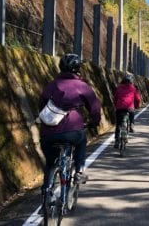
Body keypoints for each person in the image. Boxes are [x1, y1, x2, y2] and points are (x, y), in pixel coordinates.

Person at [39, 53, 101, 193]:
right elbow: (95, 107)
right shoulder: (82, 85)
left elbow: (41, 106)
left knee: (50, 162)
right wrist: (94, 122)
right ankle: (79, 171)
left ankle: (46, 189)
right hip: (72, 130)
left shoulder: (51, 85)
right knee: (81, 140)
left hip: (48, 132)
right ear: (78, 68)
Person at [114, 74, 141, 148]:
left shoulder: (119, 88)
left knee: (118, 124)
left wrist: (116, 105)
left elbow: (115, 98)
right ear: (131, 81)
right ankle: (131, 125)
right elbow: (137, 99)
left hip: (119, 108)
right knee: (132, 114)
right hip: (130, 108)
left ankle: (116, 140)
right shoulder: (133, 88)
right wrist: (137, 106)